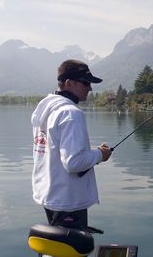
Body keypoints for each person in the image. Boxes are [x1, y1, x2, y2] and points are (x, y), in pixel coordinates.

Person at [31, 59, 112, 231]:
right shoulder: (70, 113)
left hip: (50, 196)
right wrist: (100, 155)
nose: (90, 88)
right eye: (85, 83)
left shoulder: (46, 110)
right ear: (68, 83)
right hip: (68, 200)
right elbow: (73, 162)